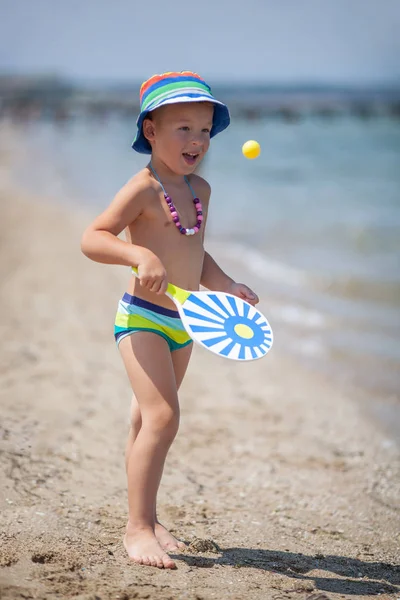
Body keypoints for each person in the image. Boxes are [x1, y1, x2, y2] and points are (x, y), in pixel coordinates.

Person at [81, 71, 259, 569]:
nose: (197, 140)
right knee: (163, 417)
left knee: (146, 418)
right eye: (183, 128)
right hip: (142, 318)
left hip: (186, 323)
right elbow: (93, 237)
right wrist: (137, 256)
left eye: (204, 130)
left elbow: (194, 254)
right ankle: (137, 530)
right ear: (151, 131)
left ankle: (150, 518)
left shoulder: (200, 189)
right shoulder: (141, 189)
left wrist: (226, 285)